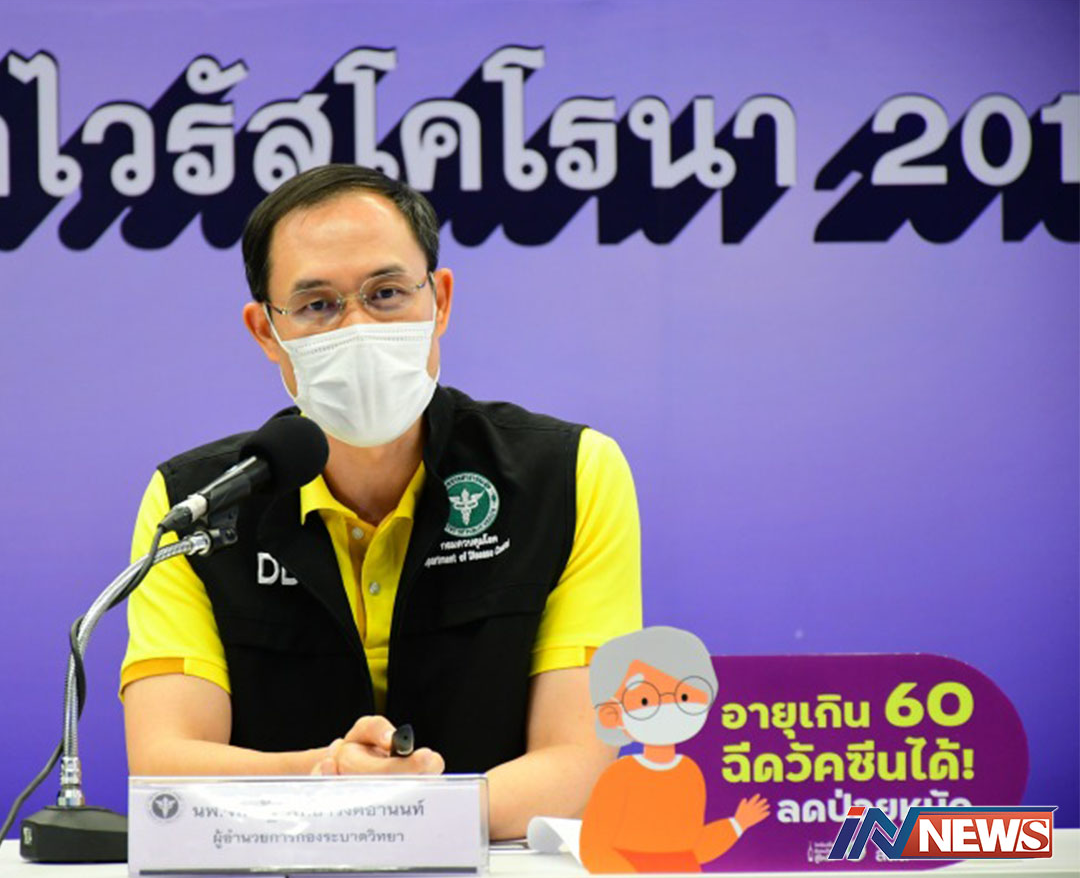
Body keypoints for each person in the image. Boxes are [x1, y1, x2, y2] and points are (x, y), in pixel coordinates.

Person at [120, 164, 642, 840]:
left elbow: (579, 765)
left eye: (387, 293)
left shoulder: (568, 475)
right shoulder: (196, 505)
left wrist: (398, 811)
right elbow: (164, 767)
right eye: (318, 305)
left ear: (440, 301)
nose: (358, 328)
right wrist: (329, 778)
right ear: (266, 331)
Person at [580, 627, 769, 872]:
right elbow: (594, 849)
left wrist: (737, 824)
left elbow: (696, 847)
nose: (669, 707)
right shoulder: (619, 776)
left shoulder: (689, 772)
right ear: (612, 715)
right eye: (645, 700)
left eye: (684, 696)